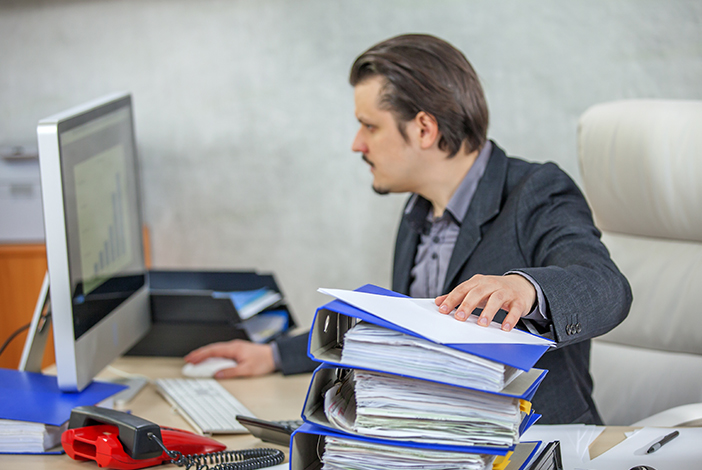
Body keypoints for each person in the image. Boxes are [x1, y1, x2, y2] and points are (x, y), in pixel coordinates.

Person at [185, 33, 632, 425]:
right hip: (436, 437)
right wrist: (274, 355)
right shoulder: (418, 210)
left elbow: (605, 285)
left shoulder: (536, 191)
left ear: (423, 128)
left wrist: (525, 288)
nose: (356, 144)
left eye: (368, 126)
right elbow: (406, 320)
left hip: (534, 439)